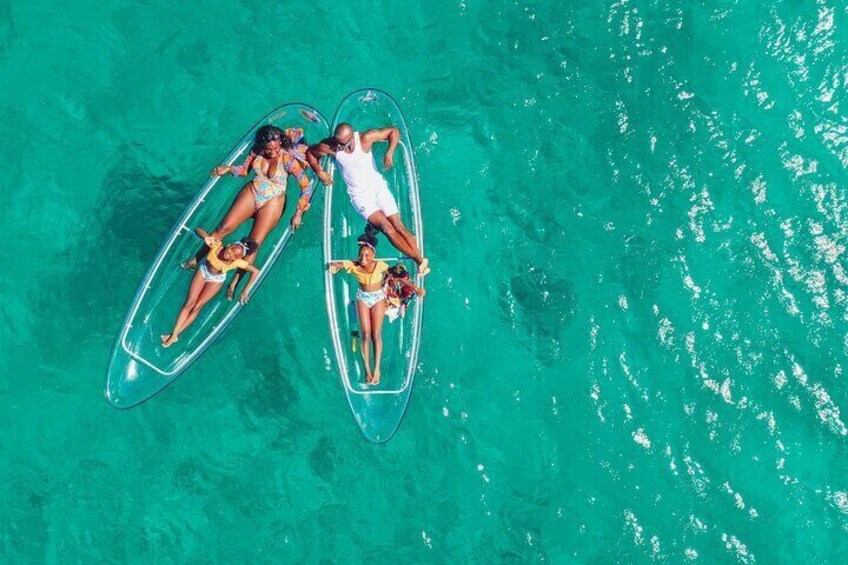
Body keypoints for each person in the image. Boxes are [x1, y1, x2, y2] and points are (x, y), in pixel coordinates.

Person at [183, 125, 314, 299]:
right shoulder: (256, 151)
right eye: (269, 149)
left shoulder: (288, 159)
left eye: (276, 147)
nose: (273, 151)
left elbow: (306, 186)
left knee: (253, 244)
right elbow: (244, 171)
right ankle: (196, 259)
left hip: (273, 200)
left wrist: (298, 213)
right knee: (223, 228)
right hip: (254, 190)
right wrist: (229, 169)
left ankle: (235, 282)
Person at [307, 122, 430, 277]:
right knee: (387, 228)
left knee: (399, 225)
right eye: (339, 143)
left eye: (344, 144)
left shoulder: (365, 138)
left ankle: (420, 262)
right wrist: (319, 171)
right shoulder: (330, 146)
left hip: (378, 188)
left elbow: (394, 131)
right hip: (360, 197)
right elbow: (310, 153)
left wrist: (389, 153)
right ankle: (420, 261)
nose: (341, 147)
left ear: (352, 137)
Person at [162, 228, 259, 348]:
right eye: (232, 249)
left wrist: (245, 290)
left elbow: (255, 271)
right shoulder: (217, 245)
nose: (231, 253)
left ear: (236, 259)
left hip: (216, 280)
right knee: (189, 304)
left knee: (197, 307)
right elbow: (198, 230)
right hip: (203, 271)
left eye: (235, 255)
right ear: (229, 245)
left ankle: (174, 335)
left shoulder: (237, 263)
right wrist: (206, 237)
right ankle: (173, 337)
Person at [328, 225, 390, 384]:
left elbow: (394, 274)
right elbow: (339, 265)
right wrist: (333, 267)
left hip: (378, 297)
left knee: (376, 334)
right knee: (366, 335)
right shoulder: (353, 265)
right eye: (361, 255)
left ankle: (377, 369)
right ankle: (367, 370)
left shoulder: (381, 265)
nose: (363, 258)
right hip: (362, 297)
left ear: (373, 255)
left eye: (366, 255)